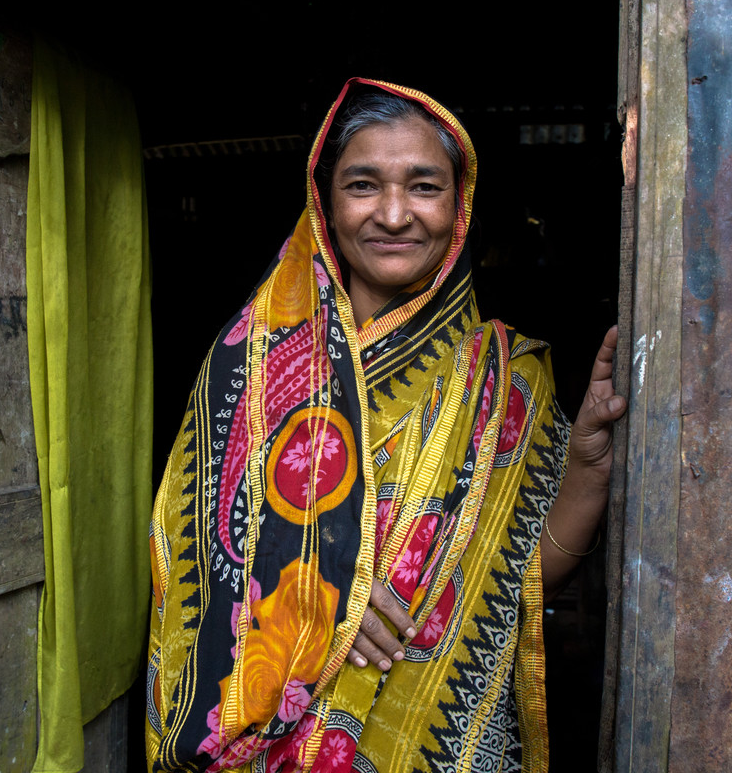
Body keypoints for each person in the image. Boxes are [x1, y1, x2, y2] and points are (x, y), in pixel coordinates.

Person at [145, 78, 625, 772]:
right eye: (364, 185)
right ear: (325, 204)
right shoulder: (248, 365)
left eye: (424, 187)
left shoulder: (505, 379)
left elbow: (518, 587)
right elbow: (187, 556)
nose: (394, 214)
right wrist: (321, 596)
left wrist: (585, 467)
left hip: (429, 741)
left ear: (458, 207)